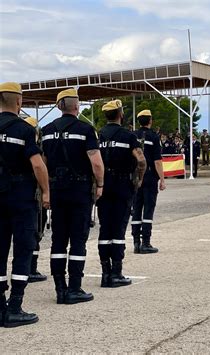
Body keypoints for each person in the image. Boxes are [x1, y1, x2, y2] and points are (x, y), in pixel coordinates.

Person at [42, 88, 104, 305]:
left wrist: (45, 190)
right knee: (78, 239)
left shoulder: (46, 130)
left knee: (58, 240)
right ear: (76, 106)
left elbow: (43, 163)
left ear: (60, 107)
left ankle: (60, 288)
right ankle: (75, 288)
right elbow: (96, 162)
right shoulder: (86, 129)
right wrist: (100, 184)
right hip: (79, 191)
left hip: (56, 189)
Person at [0, 82, 49, 327]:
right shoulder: (24, 129)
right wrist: (46, 191)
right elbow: (38, 165)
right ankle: (15, 306)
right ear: (19, 102)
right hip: (20, 198)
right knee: (22, 249)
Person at [97, 100, 146, 288]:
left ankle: (105, 272)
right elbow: (141, 161)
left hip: (104, 186)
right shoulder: (128, 136)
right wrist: (138, 180)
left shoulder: (99, 135)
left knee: (105, 228)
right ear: (120, 114)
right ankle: (116, 273)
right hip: (122, 186)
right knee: (118, 230)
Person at [131, 110, 166, 254]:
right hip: (150, 177)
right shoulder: (154, 136)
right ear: (150, 120)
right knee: (148, 209)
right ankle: (146, 242)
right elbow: (157, 161)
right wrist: (162, 179)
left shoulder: (132, 136)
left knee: (136, 209)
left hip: (136, 177)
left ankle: (136, 243)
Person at [23, 116, 48, 283]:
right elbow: (39, 167)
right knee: (35, 230)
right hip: (32, 194)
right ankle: (30, 269)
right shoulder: (33, 147)